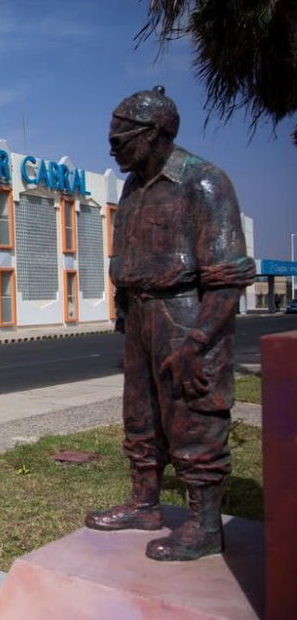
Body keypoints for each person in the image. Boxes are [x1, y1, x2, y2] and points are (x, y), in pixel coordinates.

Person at [85, 86, 255, 561]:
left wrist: (199, 340)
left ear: (154, 133)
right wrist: (124, 313)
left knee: (194, 415)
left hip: (185, 315)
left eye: (121, 137)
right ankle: (144, 503)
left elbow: (226, 277)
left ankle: (204, 525)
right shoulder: (134, 187)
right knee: (140, 416)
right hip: (140, 315)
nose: (112, 146)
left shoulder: (203, 182)